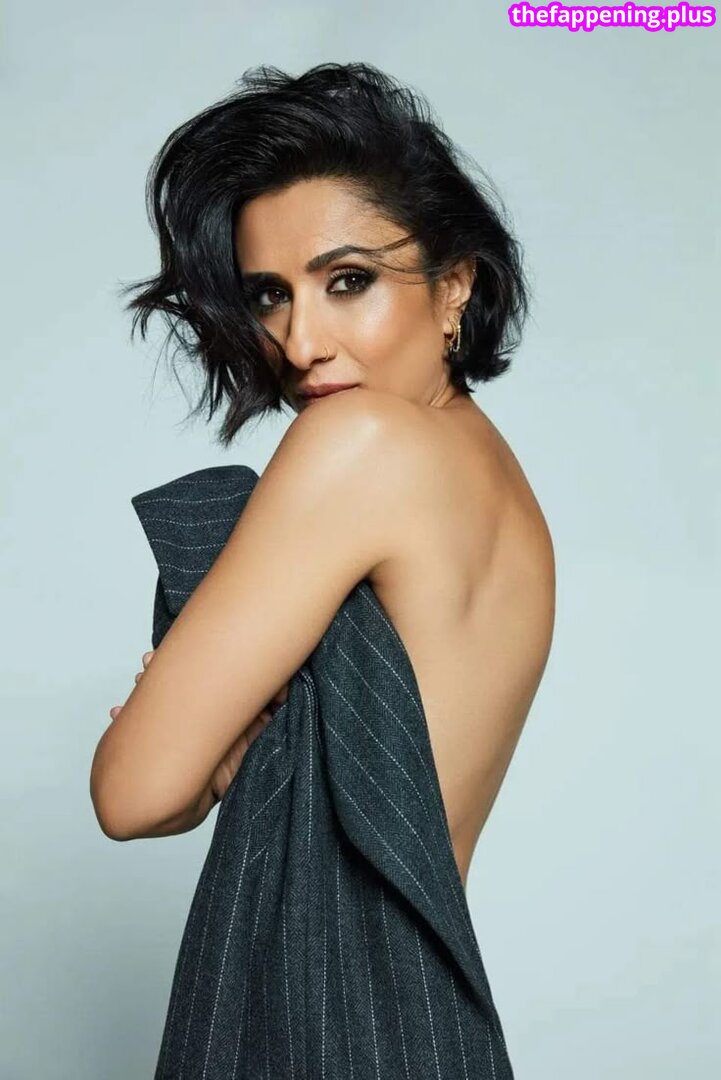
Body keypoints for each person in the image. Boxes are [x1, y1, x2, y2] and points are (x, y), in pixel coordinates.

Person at [90, 62, 554, 1074]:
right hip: (418, 1028)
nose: (300, 342)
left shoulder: (359, 447)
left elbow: (133, 792)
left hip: (314, 1031)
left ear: (454, 285)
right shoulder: (498, 488)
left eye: (348, 281)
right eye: (270, 295)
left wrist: (209, 742)